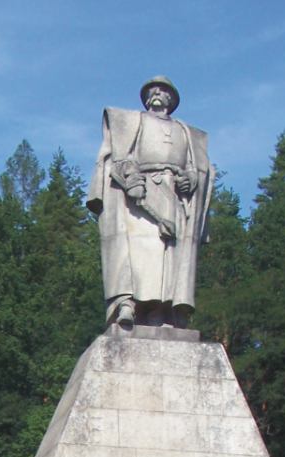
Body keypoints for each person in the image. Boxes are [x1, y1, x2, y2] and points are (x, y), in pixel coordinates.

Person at [87, 76, 214, 329]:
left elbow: (197, 168)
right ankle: (129, 304)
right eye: (152, 91)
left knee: (168, 261)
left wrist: (190, 179)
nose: (156, 94)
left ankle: (160, 310)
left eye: (163, 91)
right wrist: (132, 178)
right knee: (138, 254)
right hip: (140, 193)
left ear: (171, 99)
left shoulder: (185, 132)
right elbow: (122, 155)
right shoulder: (135, 122)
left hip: (175, 196)